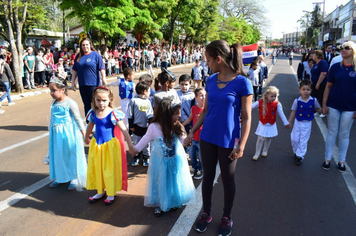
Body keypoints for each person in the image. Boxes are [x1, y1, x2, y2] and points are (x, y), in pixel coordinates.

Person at [184, 40, 253, 236]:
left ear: (219, 59)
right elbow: (205, 111)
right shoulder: (211, 80)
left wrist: (242, 145)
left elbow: (247, 118)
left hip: (228, 141)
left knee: (228, 180)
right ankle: (206, 213)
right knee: (207, 178)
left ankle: (226, 216)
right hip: (207, 137)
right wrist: (192, 132)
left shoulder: (243, 83)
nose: (207, 64)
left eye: (208, 60)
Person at [133, 98, 196, 216]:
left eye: (179, 112)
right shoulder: (153, 127)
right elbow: (144, 140)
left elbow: (183, 141)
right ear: (166, 115)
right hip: (160, 161)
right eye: (176, 113)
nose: (179, 115)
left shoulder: (178, 126)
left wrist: (187, 141)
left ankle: (172, 201)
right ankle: (161, 203)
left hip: (175, 160)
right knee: (161, 181)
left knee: (174, 181)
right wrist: (135, 150)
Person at [85, 86, 135, 205]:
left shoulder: (113, 114)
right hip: (97, 145)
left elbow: (124, 130)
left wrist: (130, 145)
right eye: (98, 100)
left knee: (109, 169)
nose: (101, 103)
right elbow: (90, 126)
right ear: (94, 99)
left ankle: (111, 192)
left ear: (109, 100)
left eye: (104, 100)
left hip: (110, 147)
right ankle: (100, 190)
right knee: (98, 168)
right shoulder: (93, 112)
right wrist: (86, 136)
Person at [47, 76, 87, 191]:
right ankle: (60, 177)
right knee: (58, 154)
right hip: (56, 135)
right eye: (50, 90)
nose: (51, 93)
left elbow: (78, 119)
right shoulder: (53, 102)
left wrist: (84, 133)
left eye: (54, 90)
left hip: (68, 134)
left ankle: (74, 177)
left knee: (70, 154)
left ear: (63, 89)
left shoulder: (70, 103)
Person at [321, 41, 356, 172]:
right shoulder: (335, 67)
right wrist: (324, 103)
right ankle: (327, 159)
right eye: (342, 48)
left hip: (350, 107)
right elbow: (328, 86)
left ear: (353, 51)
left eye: (347, 48)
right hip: (333, 105)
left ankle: (342, 161)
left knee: (344, 134)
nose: (343, 50)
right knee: (331, 132)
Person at [71, 38, 107, 119]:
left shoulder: (95, 55)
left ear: (90, 45)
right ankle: (89, 122)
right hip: (83, 84)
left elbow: (102, 68)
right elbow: (74, 70)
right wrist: (73, 82)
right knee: (86, 104)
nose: (85, 47)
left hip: (93, 84)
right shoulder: (79, 56)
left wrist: (104, 79)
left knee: (96, 104)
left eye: (87, 45)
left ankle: (98, 120)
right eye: (83, 45)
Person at [251, 86, 290, 161]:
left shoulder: (277, 104)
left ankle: (265, 150)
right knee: (260, 138)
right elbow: (251, 107)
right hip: (262, 123)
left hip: (271, 123)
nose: (273, 98)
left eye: (275, 96)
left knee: (268, 137)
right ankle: (257, 153)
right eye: (271, 96)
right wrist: (242, 110)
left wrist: (286, 122)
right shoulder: (260, 102)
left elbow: (281, 113)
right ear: (266, 95)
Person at [288, 80, 321, 165]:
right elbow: (293, 111)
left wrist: (323, 110)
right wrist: (289, 122)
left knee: (303, 140)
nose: (306, 91)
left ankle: (300, 156)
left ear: (311, 90)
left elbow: (317, 108)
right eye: (304, 89)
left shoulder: (314, 100)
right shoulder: (297, 101)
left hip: (307, 123)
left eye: (308, 89)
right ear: (300, 90)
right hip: (298, 122)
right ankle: (296, 152)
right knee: (294, 139)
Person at [182, 87, 206, 179]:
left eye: (205, 95)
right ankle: (194, 168)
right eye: (201, 96)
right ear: (196, 98)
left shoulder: (208, 109)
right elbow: (189, 118)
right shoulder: (194, 108)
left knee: (200, 155)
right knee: (192, 154)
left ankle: (200, 169)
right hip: (193, 137)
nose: (203, 97)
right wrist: (181, 125)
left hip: (202, 138)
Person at [128, 81, 153, 167]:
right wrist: (131, 126)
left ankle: (146, 157)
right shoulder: (133, 101)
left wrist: (150, 124)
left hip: (146, 126)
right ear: (144, 91)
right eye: (149, 91)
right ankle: (136, 157)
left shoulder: (148, 101)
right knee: (136, 142)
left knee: (146, 143)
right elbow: (130, 114)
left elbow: (150, 114)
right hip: (136, 126)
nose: (150, 93)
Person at [310, 50, 328, 118]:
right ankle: (315, 110)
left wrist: (318, 83)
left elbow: (323, 73)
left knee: (320, 97)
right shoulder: (316, 63)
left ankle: (323, 111)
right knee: (314, 97)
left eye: (314, 55)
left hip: (321, 84)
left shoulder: (323, 62)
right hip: (314, 83)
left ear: (317, 56)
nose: (312, 56)